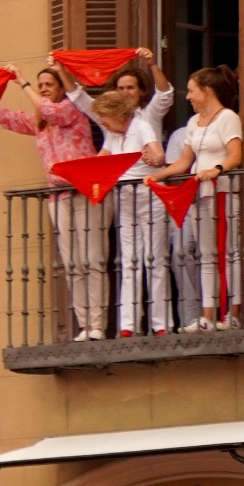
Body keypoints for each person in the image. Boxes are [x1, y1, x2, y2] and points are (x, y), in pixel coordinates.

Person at [0, 64, 107, 340]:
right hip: (58, 196)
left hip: (85, 192)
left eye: (48, 84)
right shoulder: (42, 123)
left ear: (61, 87)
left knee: (92, 259)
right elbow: (7, 118)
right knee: (72, 264)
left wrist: (22, 82)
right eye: (40, 84)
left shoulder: (72, 110)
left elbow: (50, 111)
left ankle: (99, 324)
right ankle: (86, 326)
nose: (43, 89)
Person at [151, 66, 244, 332]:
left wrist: (215, 170)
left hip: (222, 190)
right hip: (199, 194)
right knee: (206, 255)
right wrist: (158, 176)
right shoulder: (193, 123)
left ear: (207, 90)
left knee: (228, 253)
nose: (188, 97)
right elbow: (184, 161)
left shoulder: (228, 117)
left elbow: (235, 156)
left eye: (192, 91)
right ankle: (207, 315)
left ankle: (231, 315)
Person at [93, 87, 171, 336]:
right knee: (129, 259)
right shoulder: (113, 135)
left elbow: (158, 154)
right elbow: (99, 161)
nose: (103, 122)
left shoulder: (142, 126)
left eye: (105, 116)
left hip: (149, 197)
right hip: (125, 198)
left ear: (117, 113)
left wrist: (153, 156)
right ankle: (128, 324)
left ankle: (161, 323)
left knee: (154, 258)